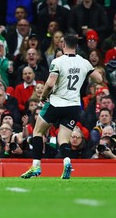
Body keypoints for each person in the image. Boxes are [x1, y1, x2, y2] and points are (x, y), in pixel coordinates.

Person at [21, 33, 103, 179]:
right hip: (73, 106)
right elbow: (99, 78)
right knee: (63, 139)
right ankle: (66, 162)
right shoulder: (84, 62)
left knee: (38, 132)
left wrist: (43, 96)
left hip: (56, 103)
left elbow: (50, 83)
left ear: (63, 45)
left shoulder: (58, 61)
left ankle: (36, 166)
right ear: (76, 46)